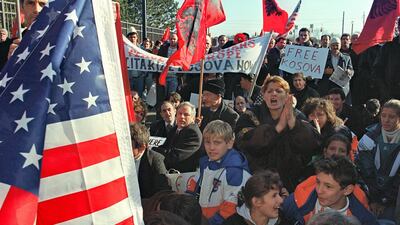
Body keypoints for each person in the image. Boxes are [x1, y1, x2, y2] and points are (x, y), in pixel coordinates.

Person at [235, 76, 320, 192]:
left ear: (287, 96)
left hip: (291, 183)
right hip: (259, 182)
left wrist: (294, 124)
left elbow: (312, 144)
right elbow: (247, 142)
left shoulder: (297, 116)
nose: (273, 94)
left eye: (279, 91)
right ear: (264, 95)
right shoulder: (250, 116)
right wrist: (277, 128)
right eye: (269, 91)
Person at [187, 120, 251, 225]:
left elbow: (231, 208)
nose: (211, 148)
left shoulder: (235, 172)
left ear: (230, 143)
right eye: (207, 142)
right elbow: (192, 188)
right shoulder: (205, 162)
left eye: (217, 142)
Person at [281, 156, 377, 225]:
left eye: (328, 186)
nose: (319, 190)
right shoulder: (294, 204)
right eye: (318, 182)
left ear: (347, 190)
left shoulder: (364, 219)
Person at [357, 99, 400, 222]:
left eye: (392, 117)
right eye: (383, 115)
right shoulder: (368, 139)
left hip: (394, 197)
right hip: (370, 193)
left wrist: (385, 200)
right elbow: (365, 172)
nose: (386, 120)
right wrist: (374, 199)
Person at [154, 102, 202, 172]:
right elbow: (165, 146)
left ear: (193, 118)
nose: (182, 117)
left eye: (186, 115)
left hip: (183, 176)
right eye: (180, 113)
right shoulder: (175, 128)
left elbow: (175, 156)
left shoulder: (193, 133)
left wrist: (153, 150)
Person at [129, 123, 170, 199]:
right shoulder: (121, 158)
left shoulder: (155, 160)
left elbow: (162, 191)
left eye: (129, 146)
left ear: (142, 147)